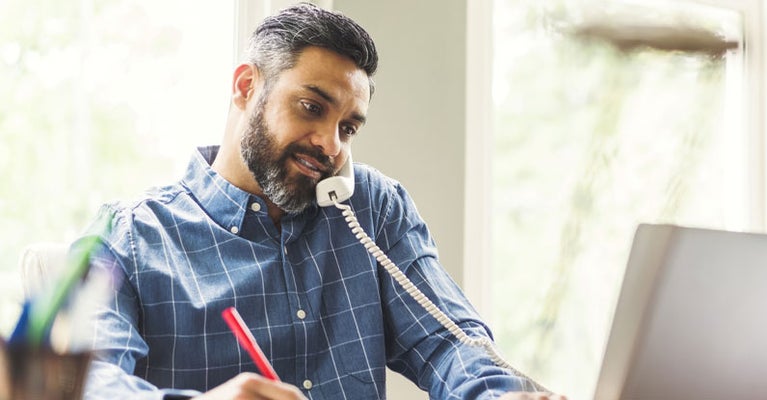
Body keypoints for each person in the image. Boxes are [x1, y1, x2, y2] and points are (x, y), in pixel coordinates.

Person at [80, 4, 564, 400]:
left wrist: (499, 397)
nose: (331, 146)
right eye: (312, 107)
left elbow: (446, 341)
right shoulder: (129, 238)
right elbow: (86, 382)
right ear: (247, 87)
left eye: (348, 128)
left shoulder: (372, 208)